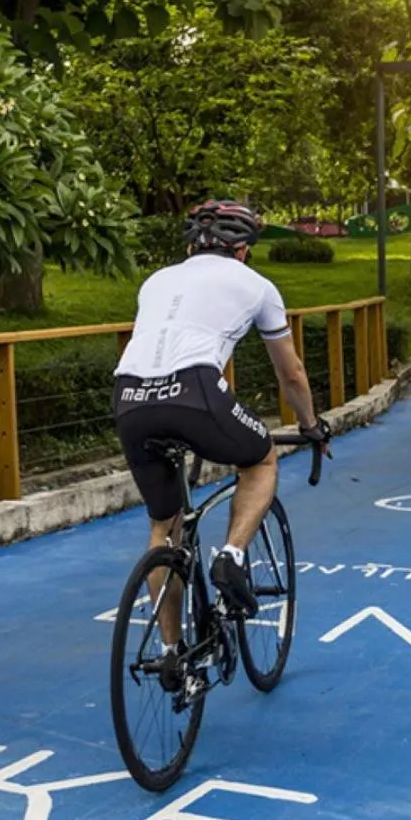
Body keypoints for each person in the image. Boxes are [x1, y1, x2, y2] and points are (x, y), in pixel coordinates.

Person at [113, 200, 329, 674]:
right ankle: (231, 555)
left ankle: (171, 656)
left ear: (193, 243)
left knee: (162, 528)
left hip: (128, 396)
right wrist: (311, 425)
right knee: (260, 459)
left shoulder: (157, 280)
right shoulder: (258, 286)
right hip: (194, 391)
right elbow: (290, 373)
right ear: (244, 250)